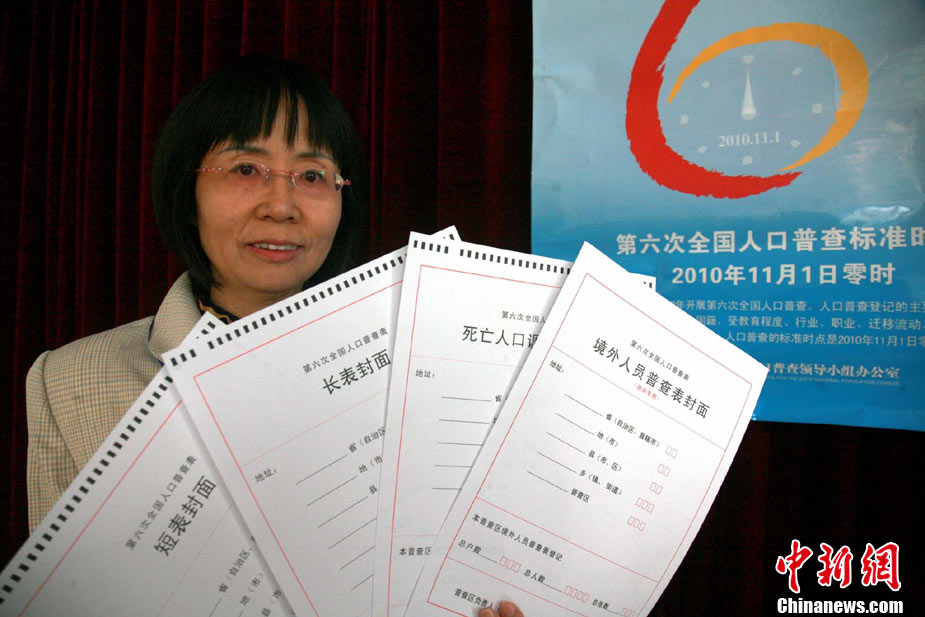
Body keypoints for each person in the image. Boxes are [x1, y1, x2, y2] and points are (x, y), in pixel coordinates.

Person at [25, 55, 526, 616]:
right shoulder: (69, 382)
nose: (281, 207)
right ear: (188, 190)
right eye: (246, 169)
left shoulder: (424, 369)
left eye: (312, 176)